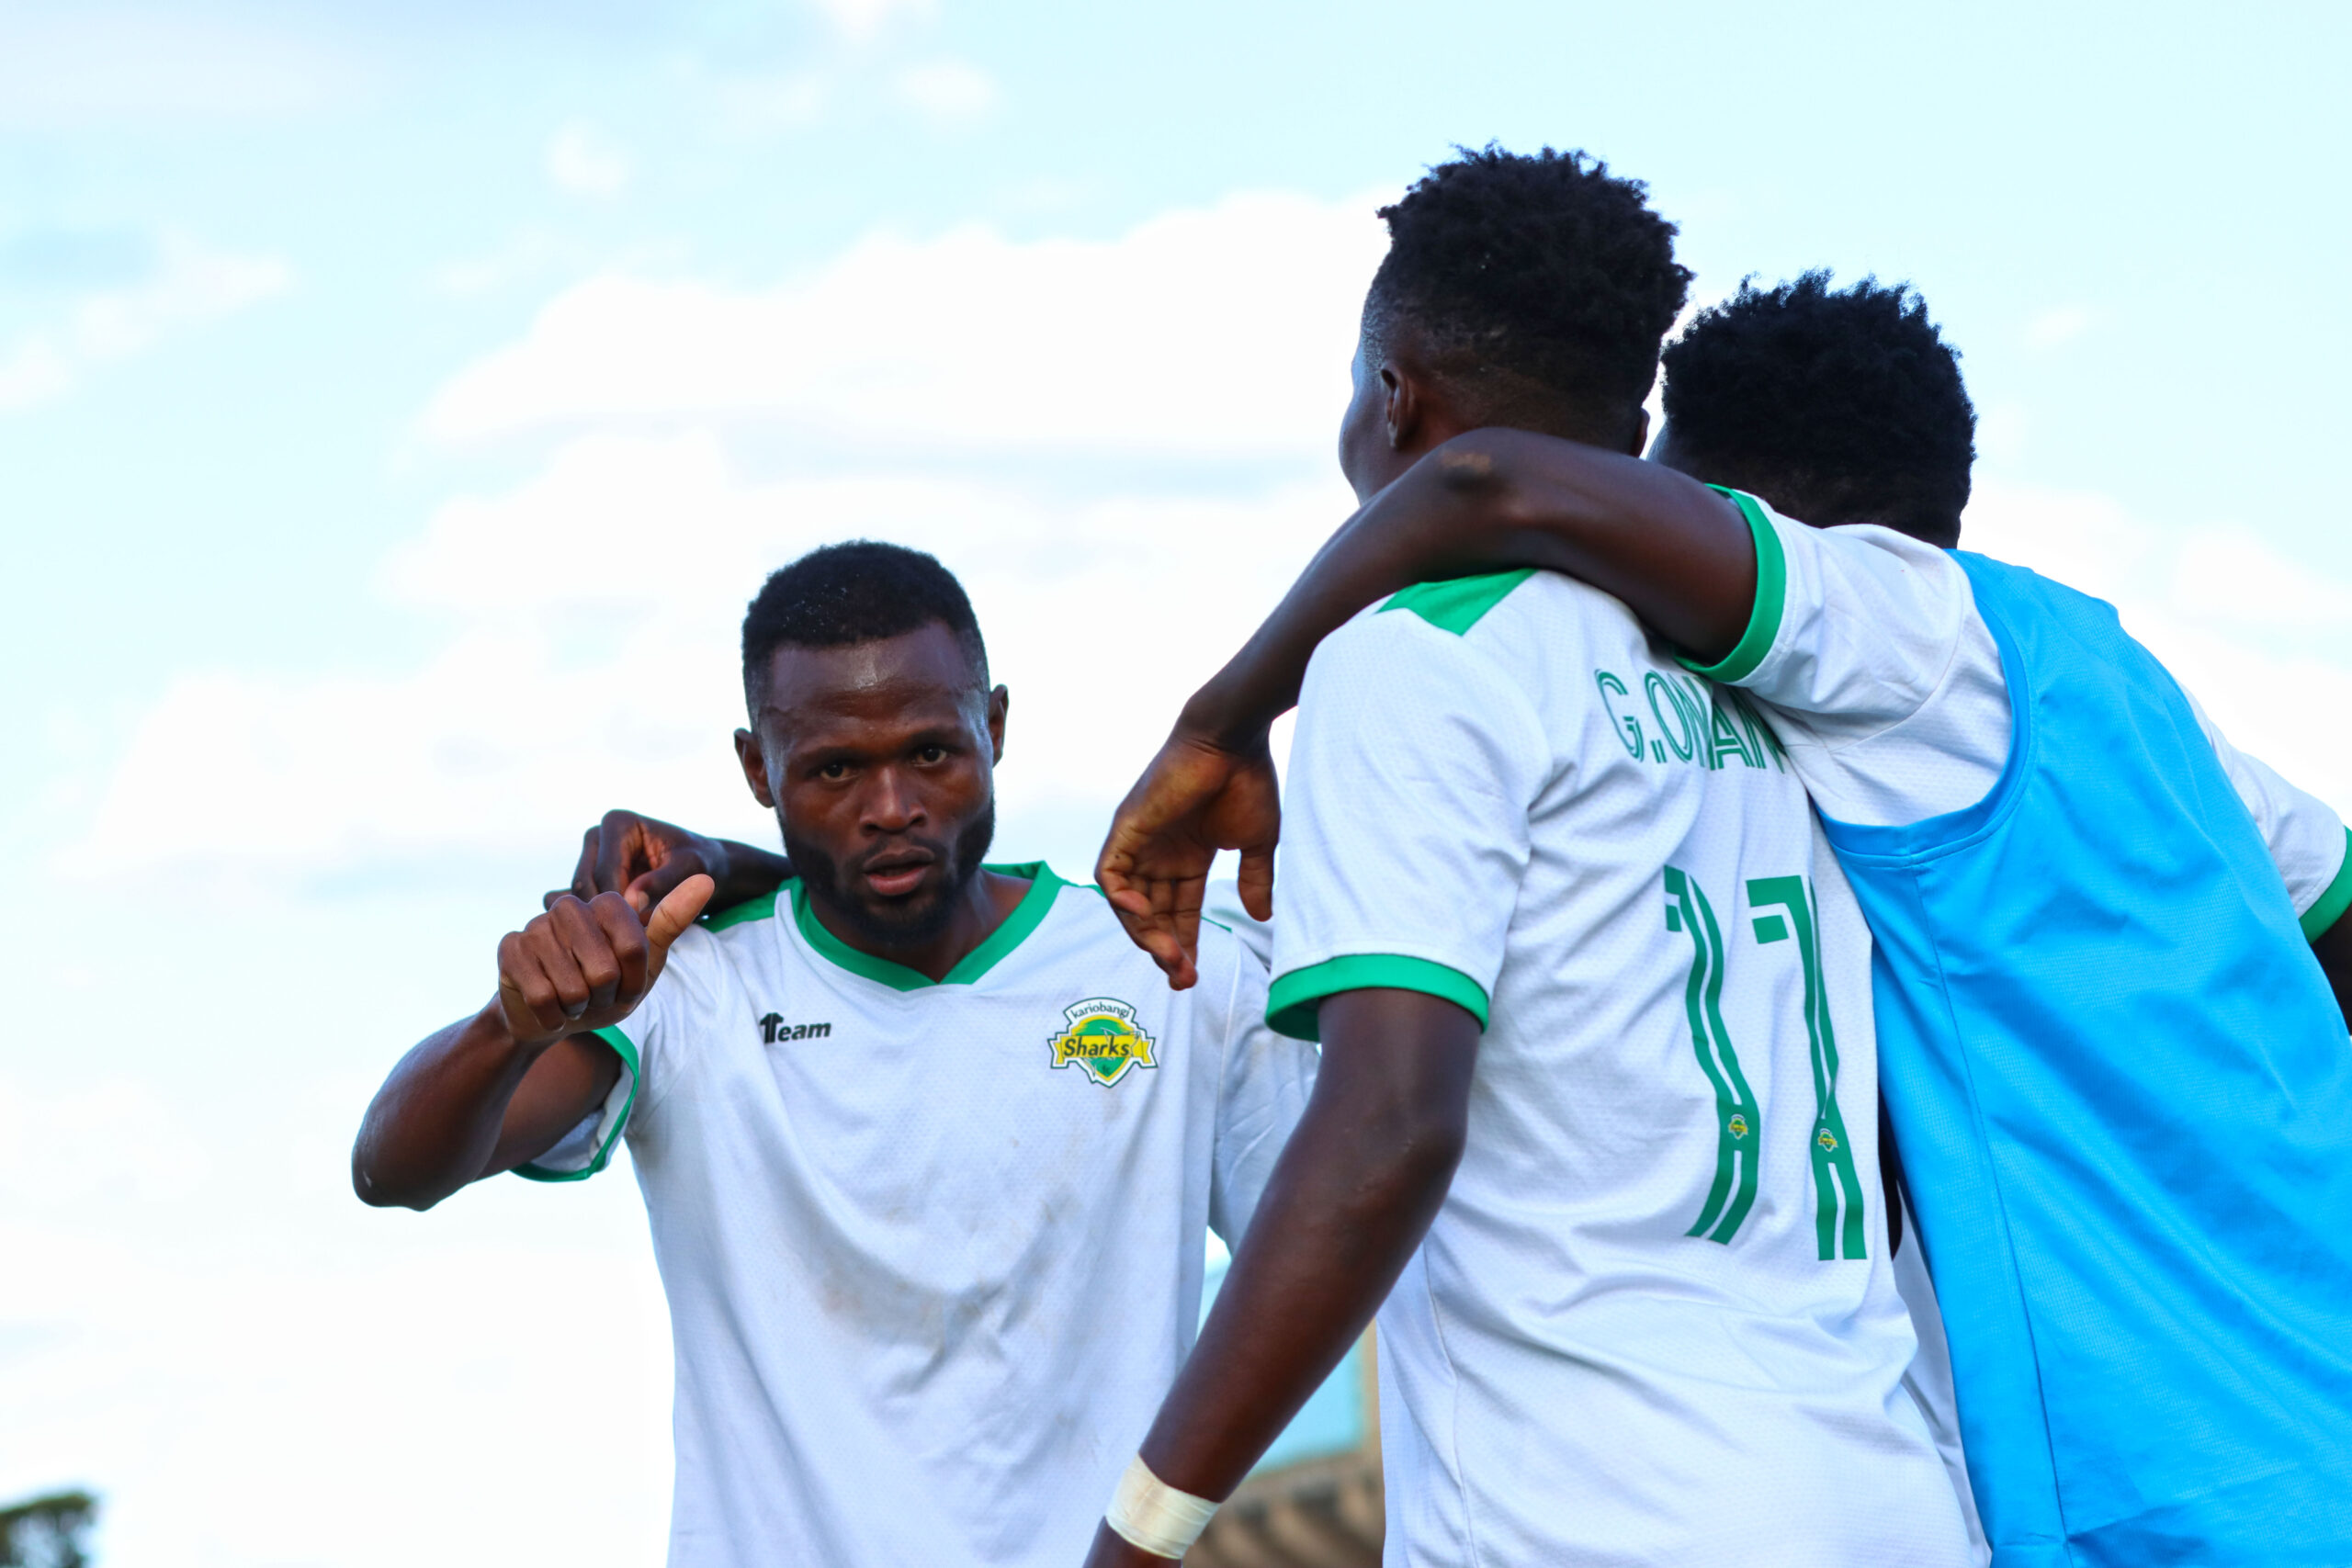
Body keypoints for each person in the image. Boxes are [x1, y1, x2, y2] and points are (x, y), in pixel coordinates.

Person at [1097, 272, 2352, 1564]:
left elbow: (1485, 486)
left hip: (2154, 1494)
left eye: (1663, 515)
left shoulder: (1886, 627)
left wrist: (1227, 713)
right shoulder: (2117, 686)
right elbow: (2328, 888)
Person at [1080, 147, 1977, 1568]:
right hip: (1888, 1488)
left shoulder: (1417, 653)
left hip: (1600, 1509)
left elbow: (1387, 1127)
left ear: (1392, 395)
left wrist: (1140, 1531)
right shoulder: (1776, 687)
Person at [351, 542, 1317, 1568]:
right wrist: (511, 1023)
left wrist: (1159, 1526)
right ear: (757, 770)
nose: (890, 804)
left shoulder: (1167, 970)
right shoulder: (693, 988)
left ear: (993, 727)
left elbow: (1322, 1253)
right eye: (834, 770)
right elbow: (394, 1169)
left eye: (932, 754)